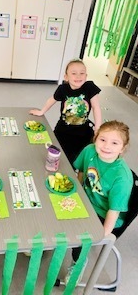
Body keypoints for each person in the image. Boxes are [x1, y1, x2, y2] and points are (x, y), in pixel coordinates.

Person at [57, 120, 133, 287]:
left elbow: (114, 211)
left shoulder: (122, 177)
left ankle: (78, 263)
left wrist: (101, 235)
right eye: (102, 139)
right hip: (86, 200)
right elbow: (82, 171)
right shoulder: (90, 150)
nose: (106, 146)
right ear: (95, 139)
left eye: (114, 143)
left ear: (123, 148)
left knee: (79, 235)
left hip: (104, 214)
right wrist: (77, 194)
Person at [29, 58, 102, 165]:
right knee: (56, 154)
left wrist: (98, 128)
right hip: (63, 130)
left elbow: (96, 108)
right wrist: (42, 111)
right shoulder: (63, 89)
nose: (78, 76)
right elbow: (51, 100)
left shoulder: (90, 87)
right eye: (74, 73)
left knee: (77, 159)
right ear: (66, 77)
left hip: (83, 132)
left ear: (86, 76)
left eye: (82, 73)